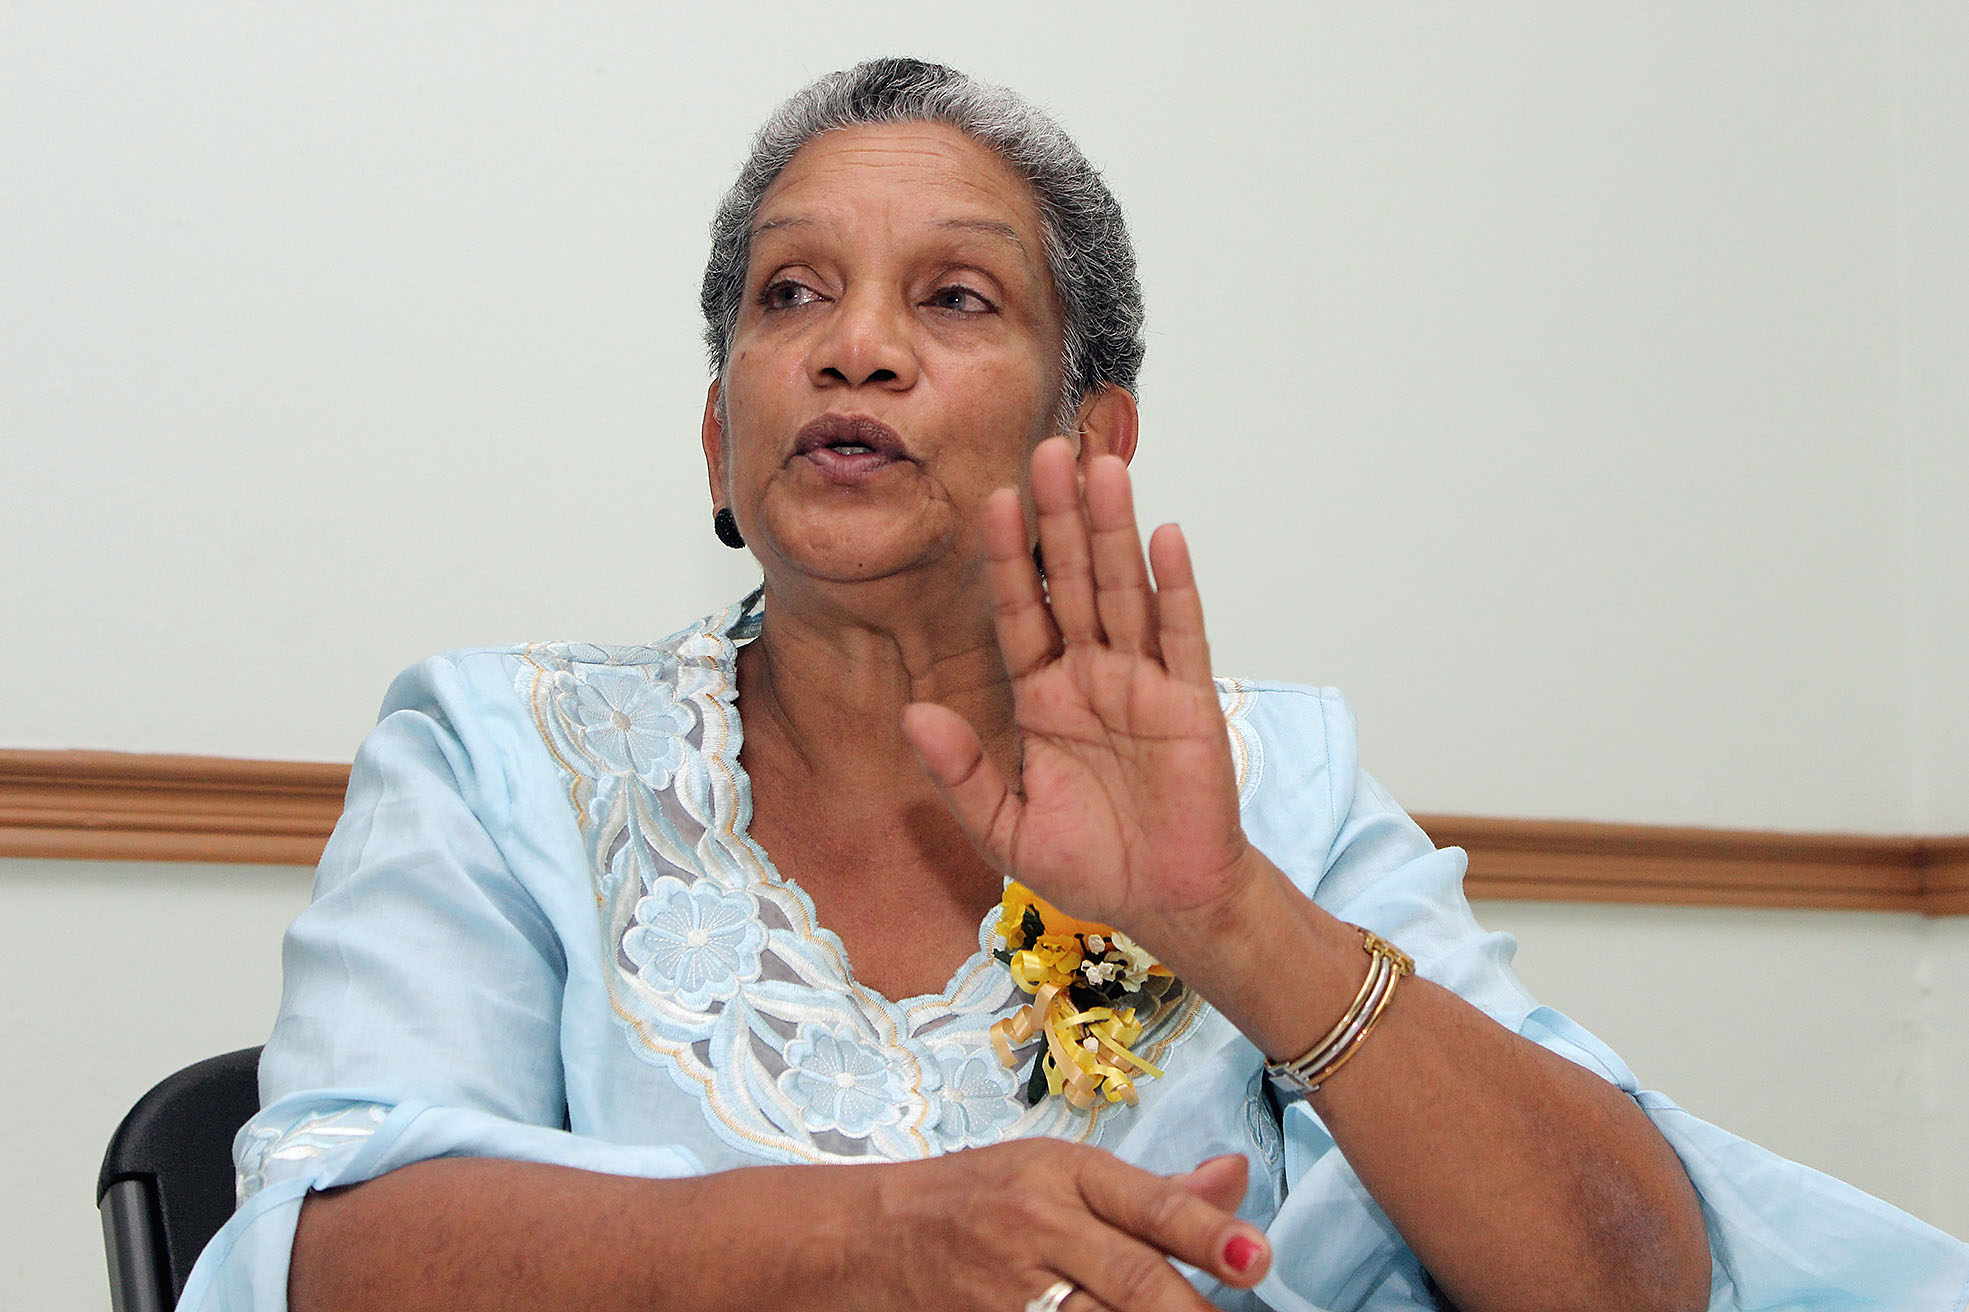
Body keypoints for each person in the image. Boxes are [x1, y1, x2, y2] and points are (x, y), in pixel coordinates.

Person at [182, 57, 1967, 1312]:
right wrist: (881, 1245)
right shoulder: (500, 755)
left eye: (955, 298)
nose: (854, 345)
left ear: (1091, 440)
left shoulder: (1271, 783)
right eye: (790, 293)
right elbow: (325, 1263)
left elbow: (1632, 1280)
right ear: (718, 440)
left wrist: (1232, 916)